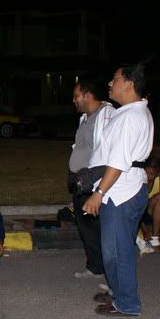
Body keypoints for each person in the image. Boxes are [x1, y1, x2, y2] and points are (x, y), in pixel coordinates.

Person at [83, 63, 154, 317]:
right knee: (115, 248)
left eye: (115, 79)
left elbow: (118, 162)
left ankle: (127, 303)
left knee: (117, 251)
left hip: (120, 191)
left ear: (129, 84)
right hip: (125, 188)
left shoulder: (131, 117)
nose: (110, 84)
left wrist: (98, 193)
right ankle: (118, 291)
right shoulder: (130, 113)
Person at [68, 79, 115, 279]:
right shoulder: (85, 118)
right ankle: (95, 267)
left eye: (76, 96)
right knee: (86, 226)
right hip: (80, 180)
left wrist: (96, 180)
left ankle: (110, 273)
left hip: (95, 180)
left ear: (87, 95)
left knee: (101, 228)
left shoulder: (107, 116)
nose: (73, 100)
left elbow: (111, 152)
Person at [137, 156, 160, 254]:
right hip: (136, 214)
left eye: (151, 174)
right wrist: (145, 231)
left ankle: (155, 238)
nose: (148, 176)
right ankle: (143, 231)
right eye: (146, 172)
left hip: (150, 212)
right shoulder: (138, 180)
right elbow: (135, 208)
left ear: (158, 174)